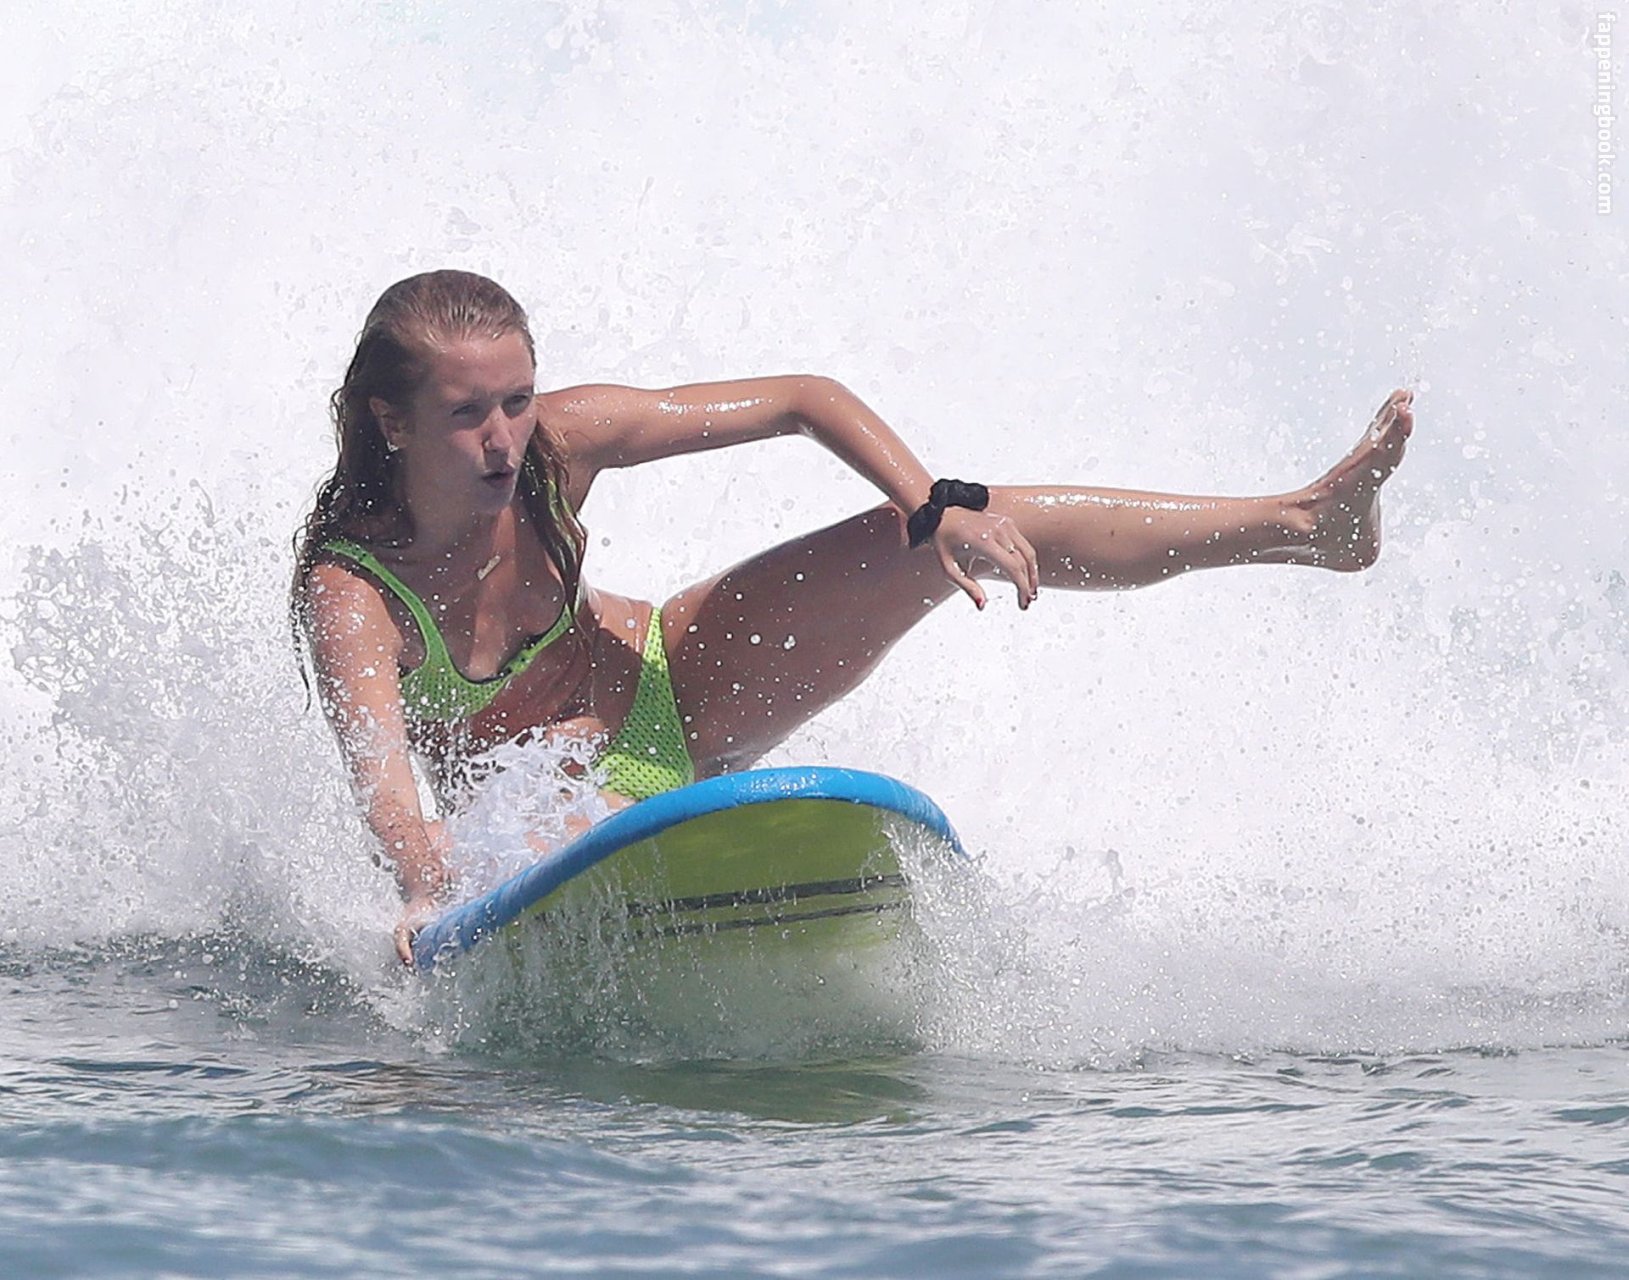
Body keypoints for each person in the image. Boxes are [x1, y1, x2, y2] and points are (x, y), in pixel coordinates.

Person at [292, 270, 1415, 964]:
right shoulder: (355, 592)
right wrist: (426, 887)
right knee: (533, 824)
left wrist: (937, 509)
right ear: (392, 420)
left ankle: (1305, 523)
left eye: (518, 399)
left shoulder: (556, 448)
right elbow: (382, 776)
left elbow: (803, 399)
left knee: (949, 530)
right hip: (539, 803)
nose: (503, 438)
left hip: (680, 679)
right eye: (468, 414)